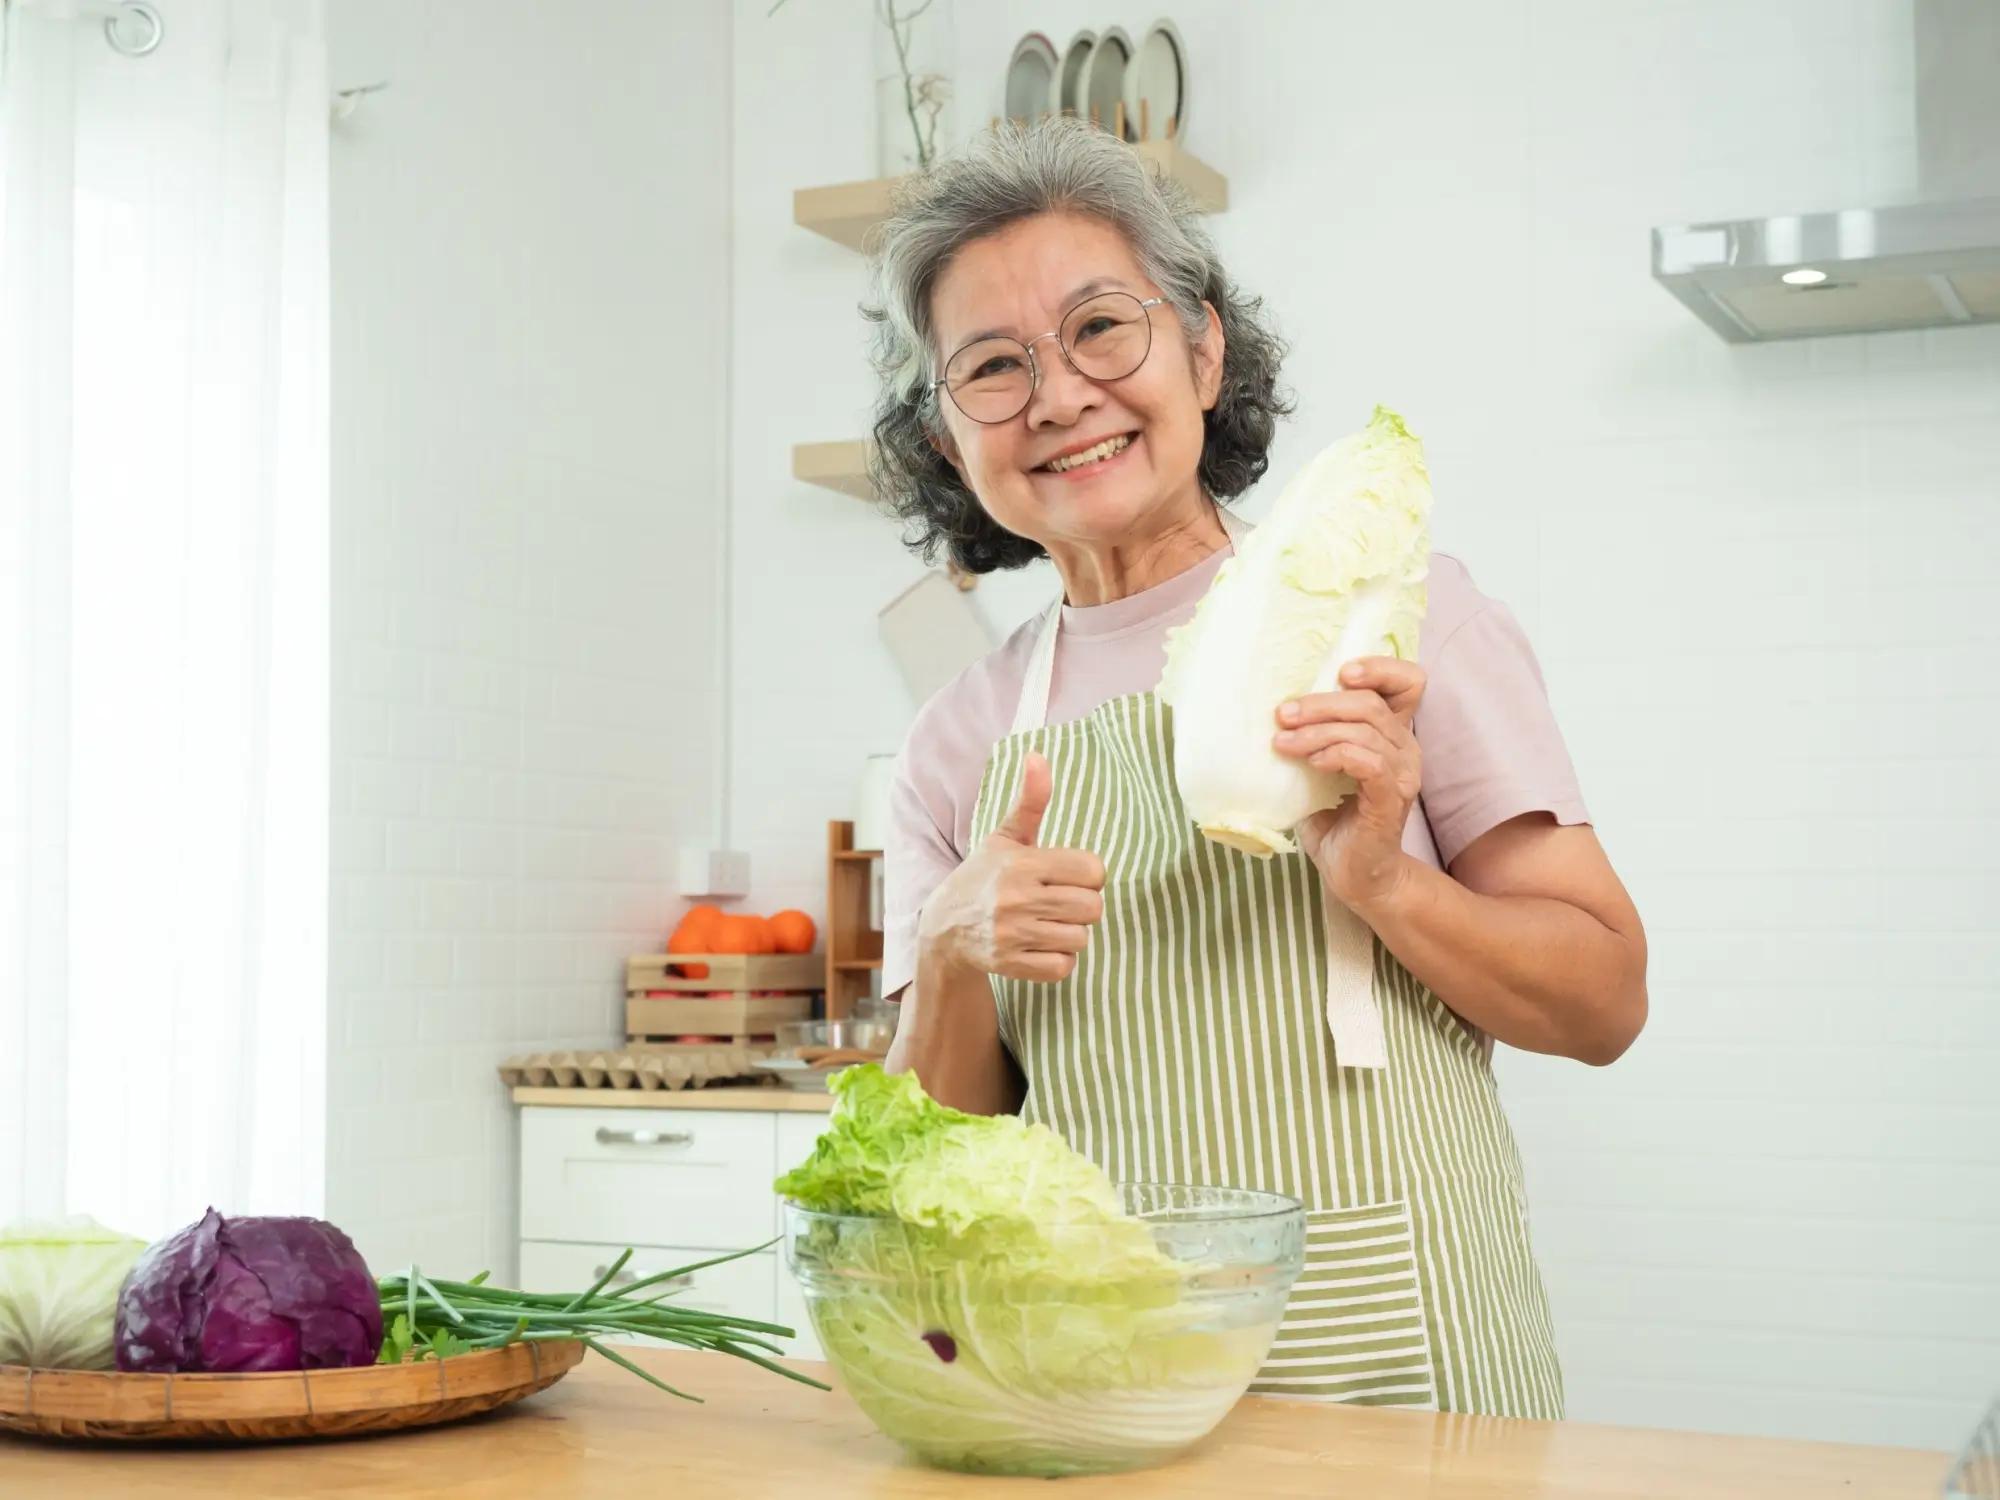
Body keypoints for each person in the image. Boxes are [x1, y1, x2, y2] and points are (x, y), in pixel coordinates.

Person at [866, 118, 1647, 1418]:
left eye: (1101, 328)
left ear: (1204, 351)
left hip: (1407, 1366)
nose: (1057, 397)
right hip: (1111, 1384)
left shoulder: (1393, 617)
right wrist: (949, 952)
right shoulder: (957, 738)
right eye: (993, 367)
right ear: (952, 443)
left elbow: (1605, 1004)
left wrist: (1386, 881)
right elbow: (933, 1170)